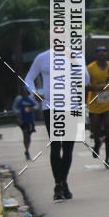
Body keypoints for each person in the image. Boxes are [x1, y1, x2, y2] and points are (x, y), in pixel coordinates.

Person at [24, 49, 89, 201]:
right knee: (55, 145)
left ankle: (62, 182)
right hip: (51, 107)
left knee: (68, 148)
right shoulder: (42, 57)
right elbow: (29, 78)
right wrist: (34, 92)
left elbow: (85, 79)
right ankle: (58, 185)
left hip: (72, 107)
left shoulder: (77, 56)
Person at [86, 46, 109, 168]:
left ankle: (107, 159)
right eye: (99, 51)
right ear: (96, 55)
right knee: (96, 131)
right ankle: (97, 143)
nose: (102, 53)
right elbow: (83, 85)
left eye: (104, 51)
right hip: (95, 104)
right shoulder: (90, 68)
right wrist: (95, 88)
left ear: (107, 54)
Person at [12, 86, 37, 160]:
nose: (25, 94)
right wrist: (17, 112)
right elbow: (14, 107)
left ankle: (27, 149)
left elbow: (37, 105)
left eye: (26, 92)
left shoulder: (31, 98)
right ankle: (27, 150)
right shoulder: (18, 99)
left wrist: (32, 108)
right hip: (22, 120)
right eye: (23, 92)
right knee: (25, 134)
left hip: (30, 120)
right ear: (21, 92)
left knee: (28, 136)